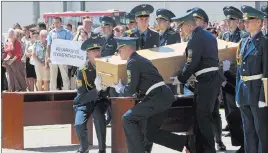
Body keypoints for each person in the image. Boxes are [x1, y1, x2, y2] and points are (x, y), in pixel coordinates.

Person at [111, 37, 187, 153]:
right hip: (162, 96)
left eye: (120, 49)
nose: (118, 52)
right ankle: (187, 143)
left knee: (127, 119)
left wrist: (119, 88)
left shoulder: (132, 62)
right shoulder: (140, 59)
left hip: (156, 97)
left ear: (127, 48)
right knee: (151, 133)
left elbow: (130, 90)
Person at [171, 10, 225, 153]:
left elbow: (191, 63)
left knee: (203, 117)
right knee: (205, 115)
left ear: (189, 25)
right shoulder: (208, 35)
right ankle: (199, 148)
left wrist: (180, 78)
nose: (181, 30)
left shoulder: (195, 39)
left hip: (206, 81)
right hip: (213, 80)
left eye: (181, 27)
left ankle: (208, 149)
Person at [236, 5, 268, 153]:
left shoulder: (264, 42)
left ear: (260, 22)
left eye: (250, 20)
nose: (246, 23)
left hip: (257, 92)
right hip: (244, 91)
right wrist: (237, 93)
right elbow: (239, 70)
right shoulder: (243, 42)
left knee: (261, 131)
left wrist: (264, 97)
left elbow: (267, 72)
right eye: (245, 20)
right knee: (248, 131)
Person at [74, 37, 109, 153]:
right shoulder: (82, 70)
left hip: (100, 101)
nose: (97, 53)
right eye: (93, 51)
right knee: (78, 125)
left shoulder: (106, 66)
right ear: (88, 53)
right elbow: (82, 96)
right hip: (84, 102)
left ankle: (102, 149)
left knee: (99, 118)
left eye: (98, 50)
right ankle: (84, 148)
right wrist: (96, 89)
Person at [45, 17, 73, 91]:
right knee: (53, 77)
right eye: (54, 23)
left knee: (65, 76)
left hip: (63, 58)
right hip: (53, 58)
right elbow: (48, 46)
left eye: (57, 22)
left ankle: (67, 92)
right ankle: (52, 92)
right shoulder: (51, 33)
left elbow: (69, 45)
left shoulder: (67, 32)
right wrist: (48, 57)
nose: (56, 24)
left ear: (61, 23)